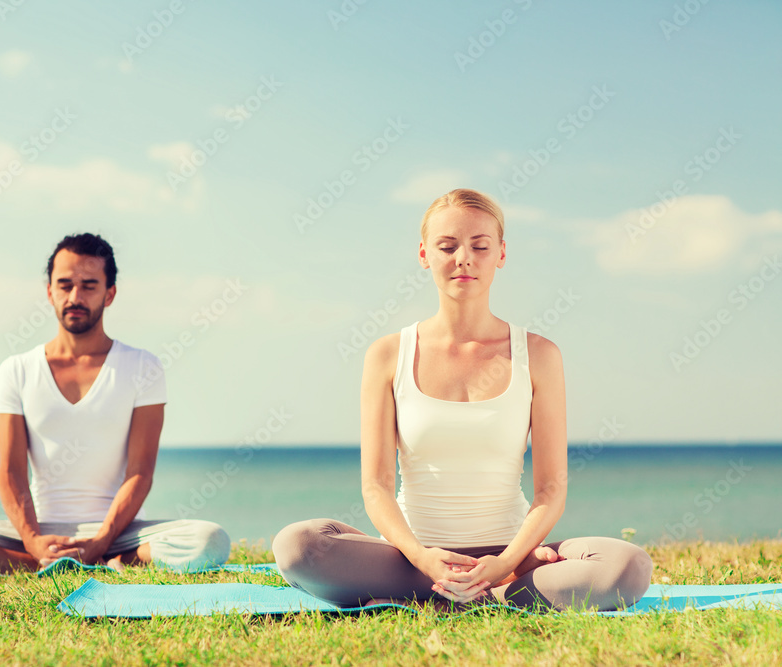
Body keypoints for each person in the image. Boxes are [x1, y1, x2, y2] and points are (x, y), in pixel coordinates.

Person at [272, 189, 652, 611]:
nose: (464, 258)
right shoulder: (387, 355)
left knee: (627, 565)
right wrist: (423, 557)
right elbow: (375, 486)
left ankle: (490, 588)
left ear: (501, 254)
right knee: (297, 546)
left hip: (507, 554)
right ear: (424, 255)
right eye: (447, 246)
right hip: (410, 558)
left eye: (480, 246)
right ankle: (474, 593)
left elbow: (550, 489)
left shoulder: (540, 355)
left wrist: (506, 562)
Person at [0, 233, 231, 574]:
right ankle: (33, 563)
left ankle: (112, 560)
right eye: (65, 285)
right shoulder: (17, 369)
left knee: (210, 540)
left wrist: (102, 539)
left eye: (89, 285)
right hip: (40, 532)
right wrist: (32, 539)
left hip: (118, 533)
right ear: (49, 292)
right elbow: (11, 471)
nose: (75, 297)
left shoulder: (142, 366)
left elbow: (141, 472)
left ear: (110, 293)